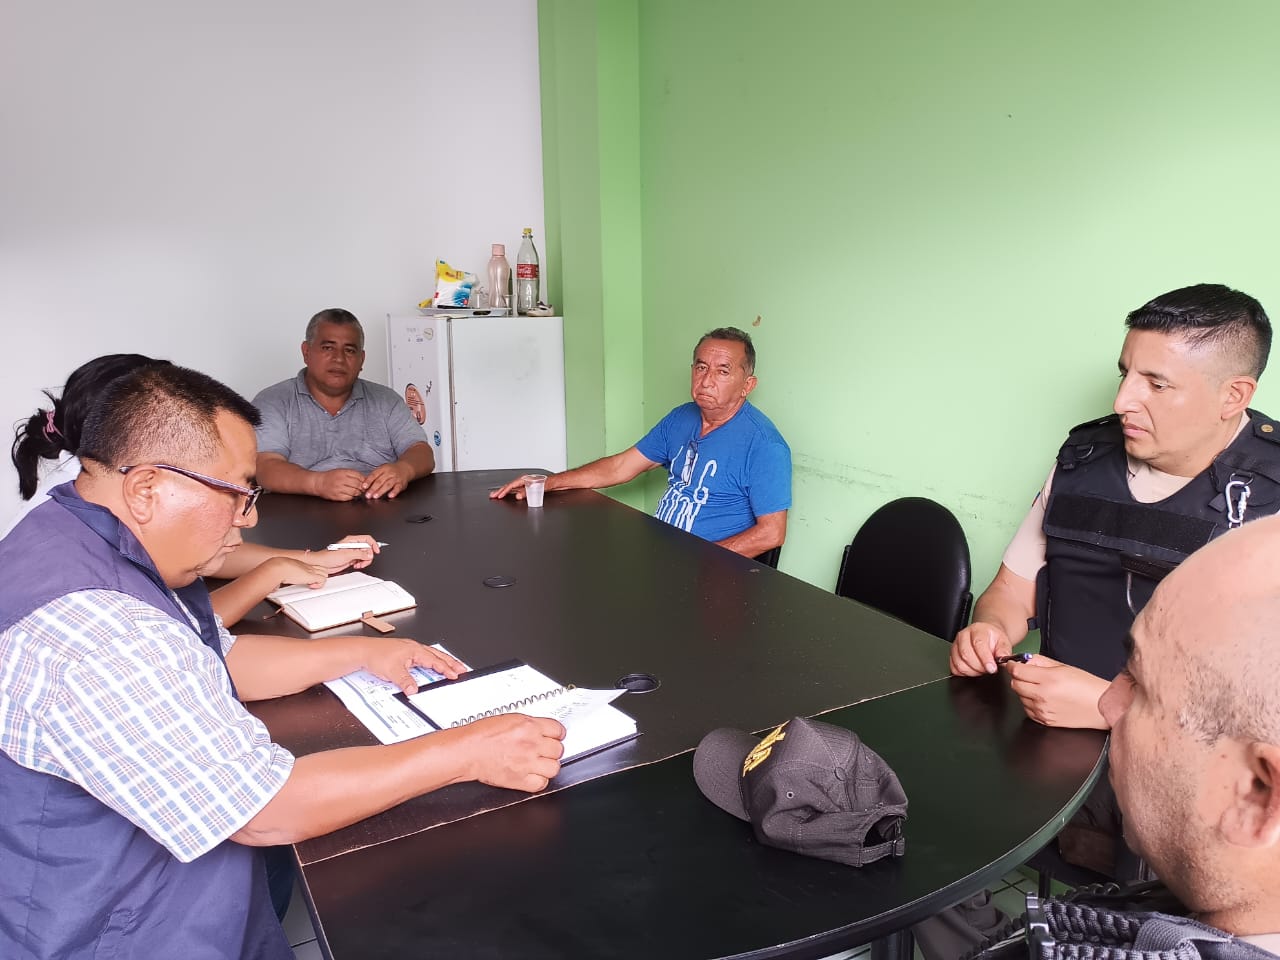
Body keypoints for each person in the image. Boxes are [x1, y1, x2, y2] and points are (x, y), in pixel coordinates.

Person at [0, 363, 564, 958]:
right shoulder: (98, 631)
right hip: (128, 930)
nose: (248, 518)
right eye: (239, 493)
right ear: (147, 489)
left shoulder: (80, 535)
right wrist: (468, 751)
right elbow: (267, 808)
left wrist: (364, 651)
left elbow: (211, 658)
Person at [951, 284, 1280, 728]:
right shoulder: (1083, 457)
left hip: (1189, 760)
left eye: (1157, 384)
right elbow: (1011, 592)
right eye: (1125, 374)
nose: (1121, 402)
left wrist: (1114, 710)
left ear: (1233, 396)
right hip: (1048, 734)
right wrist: (989, 631)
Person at [5, 353, 379, 628]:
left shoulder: (85, 492)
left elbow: (210, 549)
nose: (247, 517)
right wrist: (275, 571)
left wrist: (304, 560)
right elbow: (185, 629)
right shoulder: (88, 531)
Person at [491, 327, 791, 559]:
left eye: (723, 371)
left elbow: (771, 534)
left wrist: (699, 563)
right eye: (701, 367)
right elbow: (621, 467)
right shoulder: (681, 418)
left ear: (747, 385)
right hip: (659, 555)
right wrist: (547, 483)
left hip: (710, 575)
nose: (706, 380)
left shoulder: (764, 445)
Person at [253, 308, 435, 501]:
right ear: (306, 352)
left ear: (361, 360)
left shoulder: (386, 400)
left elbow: (421, 451)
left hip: (380, 508)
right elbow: (265, 467)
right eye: (327, 348)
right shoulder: (273, 402)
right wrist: (318, 483)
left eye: (349, 350)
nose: (339, 359)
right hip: (300, 511)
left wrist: (403, 470)